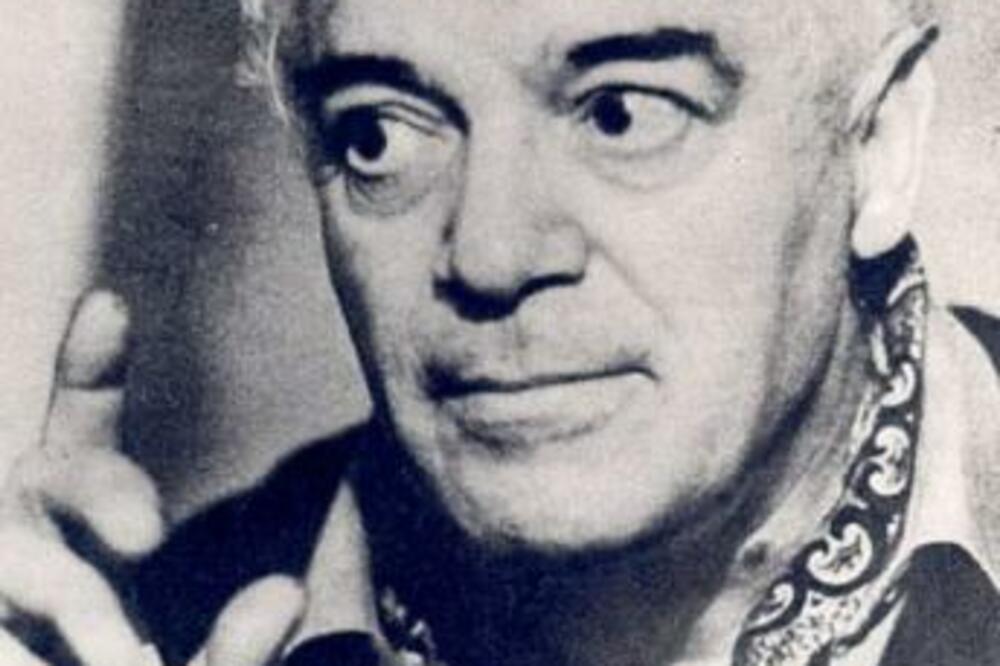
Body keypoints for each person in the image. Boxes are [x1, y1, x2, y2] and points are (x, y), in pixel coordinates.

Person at [2, 1, 999, 665]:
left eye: (620, 115)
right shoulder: (168, 624)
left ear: (878, 144)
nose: (490, 253)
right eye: (379, 133)